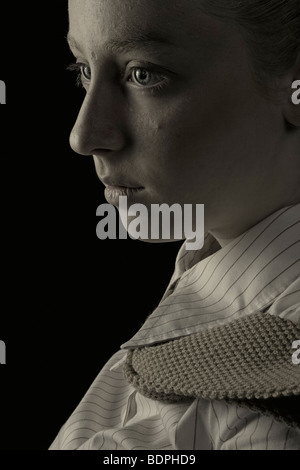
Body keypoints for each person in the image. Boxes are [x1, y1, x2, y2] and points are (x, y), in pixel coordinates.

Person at [50, 0, 300, 450]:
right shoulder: (210, 255)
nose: (83, 136)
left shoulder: (275, 400)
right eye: (83, 70)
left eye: (143, 73)